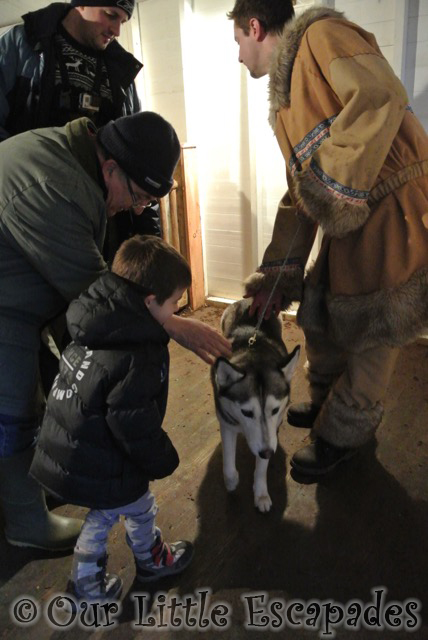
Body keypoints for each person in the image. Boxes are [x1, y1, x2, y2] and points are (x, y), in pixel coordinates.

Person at [0, 110, 231, 551]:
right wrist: (173, 324)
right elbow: (95, 299)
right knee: (13, 409)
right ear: (111, 168)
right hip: (6, 304)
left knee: (41, 391)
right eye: (140, 196)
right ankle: (25, 523)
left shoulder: (76, 160)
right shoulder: (56, 189)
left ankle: (35, 482)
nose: (138, 208)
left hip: (17, 292)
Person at [228, 0, 428, 476]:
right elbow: (303, 192)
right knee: (318, 307)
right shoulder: (287, 100)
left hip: (393, 203)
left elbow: (380, 95)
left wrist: (330, 183)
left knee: (378, 321)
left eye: (237, 41)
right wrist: (276, 277)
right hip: (358, 206)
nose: (238, 55)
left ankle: (344, 431)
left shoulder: (321, 36)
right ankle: (325, 401)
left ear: (254, 27)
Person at [30, 234, 194, 602]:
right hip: (101, 457)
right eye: (175, 302)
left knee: (124, 509)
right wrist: (162, 457)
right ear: (150, 302)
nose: (177, 310)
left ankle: (135, 563)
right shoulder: (135, 354)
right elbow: (132, 423)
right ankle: (100, 579)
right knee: (119, 511)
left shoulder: (96, 322)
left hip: (75, 445)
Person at [0, 0, 160, 248]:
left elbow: (137, 159)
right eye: (110, 15)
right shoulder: (21, 46)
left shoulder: (121, 71)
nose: (117, 31)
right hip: (31, 218)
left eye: (123, 21)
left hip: (100, 226)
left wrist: (150, 237)